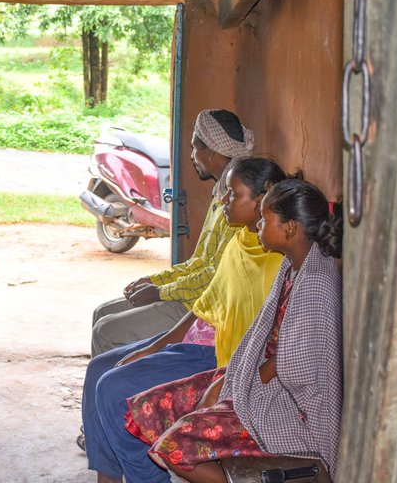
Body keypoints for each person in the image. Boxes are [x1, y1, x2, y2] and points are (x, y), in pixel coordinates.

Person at [83, 158, 288, 483]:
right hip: (199, 340)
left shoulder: (277, 259)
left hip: (220, 359)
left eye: (233, 195)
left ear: (262, 199)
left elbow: (267, 346)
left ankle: (147, 478)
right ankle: (108, 477)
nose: (223, 201)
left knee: (112, 388)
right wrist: (153, 348)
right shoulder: (240, 242)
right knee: (99, 369)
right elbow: (204, 307)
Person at [124, 179, 342, 483]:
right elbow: (264, 336)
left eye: (266, 219)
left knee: (174, 448)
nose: (259, 225)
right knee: (152, 405)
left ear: (290, 228)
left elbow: (296, 364)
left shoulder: (317, 279)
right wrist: (233, 377)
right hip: (261, 379)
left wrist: (242, 387)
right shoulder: (293, 265)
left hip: (291, 406)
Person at [91, 109, 255, 358]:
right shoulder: (221, 193)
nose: (192, 156)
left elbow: (213, 278)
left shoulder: (235, 204)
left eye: (194, 147)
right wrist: (156, 280)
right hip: (190, 296)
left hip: (199, 307)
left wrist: (160, 291)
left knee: (106, 330)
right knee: (101, 312)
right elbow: (200, 262)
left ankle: (118, 387)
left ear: (211, 150)